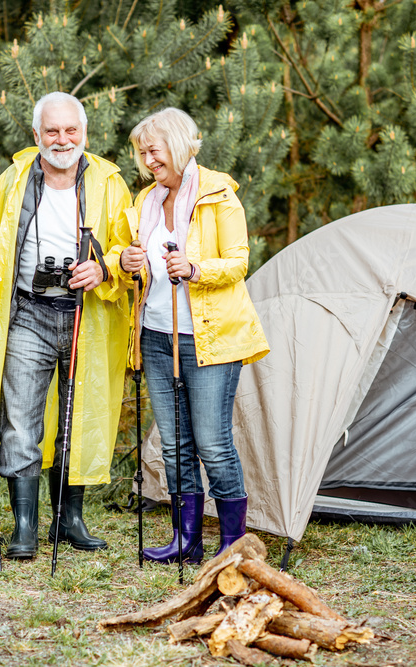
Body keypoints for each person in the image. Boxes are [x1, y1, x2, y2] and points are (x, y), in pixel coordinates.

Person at [0, 92, 132, 560]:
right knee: (20, 420)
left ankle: (69, 519)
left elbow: (126, 247)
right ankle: (24, 526)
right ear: (36, 136)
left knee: (78, 418)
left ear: (85, 134)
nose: (62, 140)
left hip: (86, 315)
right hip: (28, 314)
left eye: (70, 130)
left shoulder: (109, 183)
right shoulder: (13, 180)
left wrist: (104, 270)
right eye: (52, 131)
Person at [115, 107, 269, 564]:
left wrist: (196, 269)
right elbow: (138, 271)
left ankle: (232, 548)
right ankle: (187, 543)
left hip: (209, 337)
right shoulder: (146, 201)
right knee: (175, 444)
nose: (147, 159)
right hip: (156, 335)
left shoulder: (218, 194)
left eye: (153, 150)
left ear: (178, 145)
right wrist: (127, 264)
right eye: (142, 153)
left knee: (213, 443)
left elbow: (239, 261)